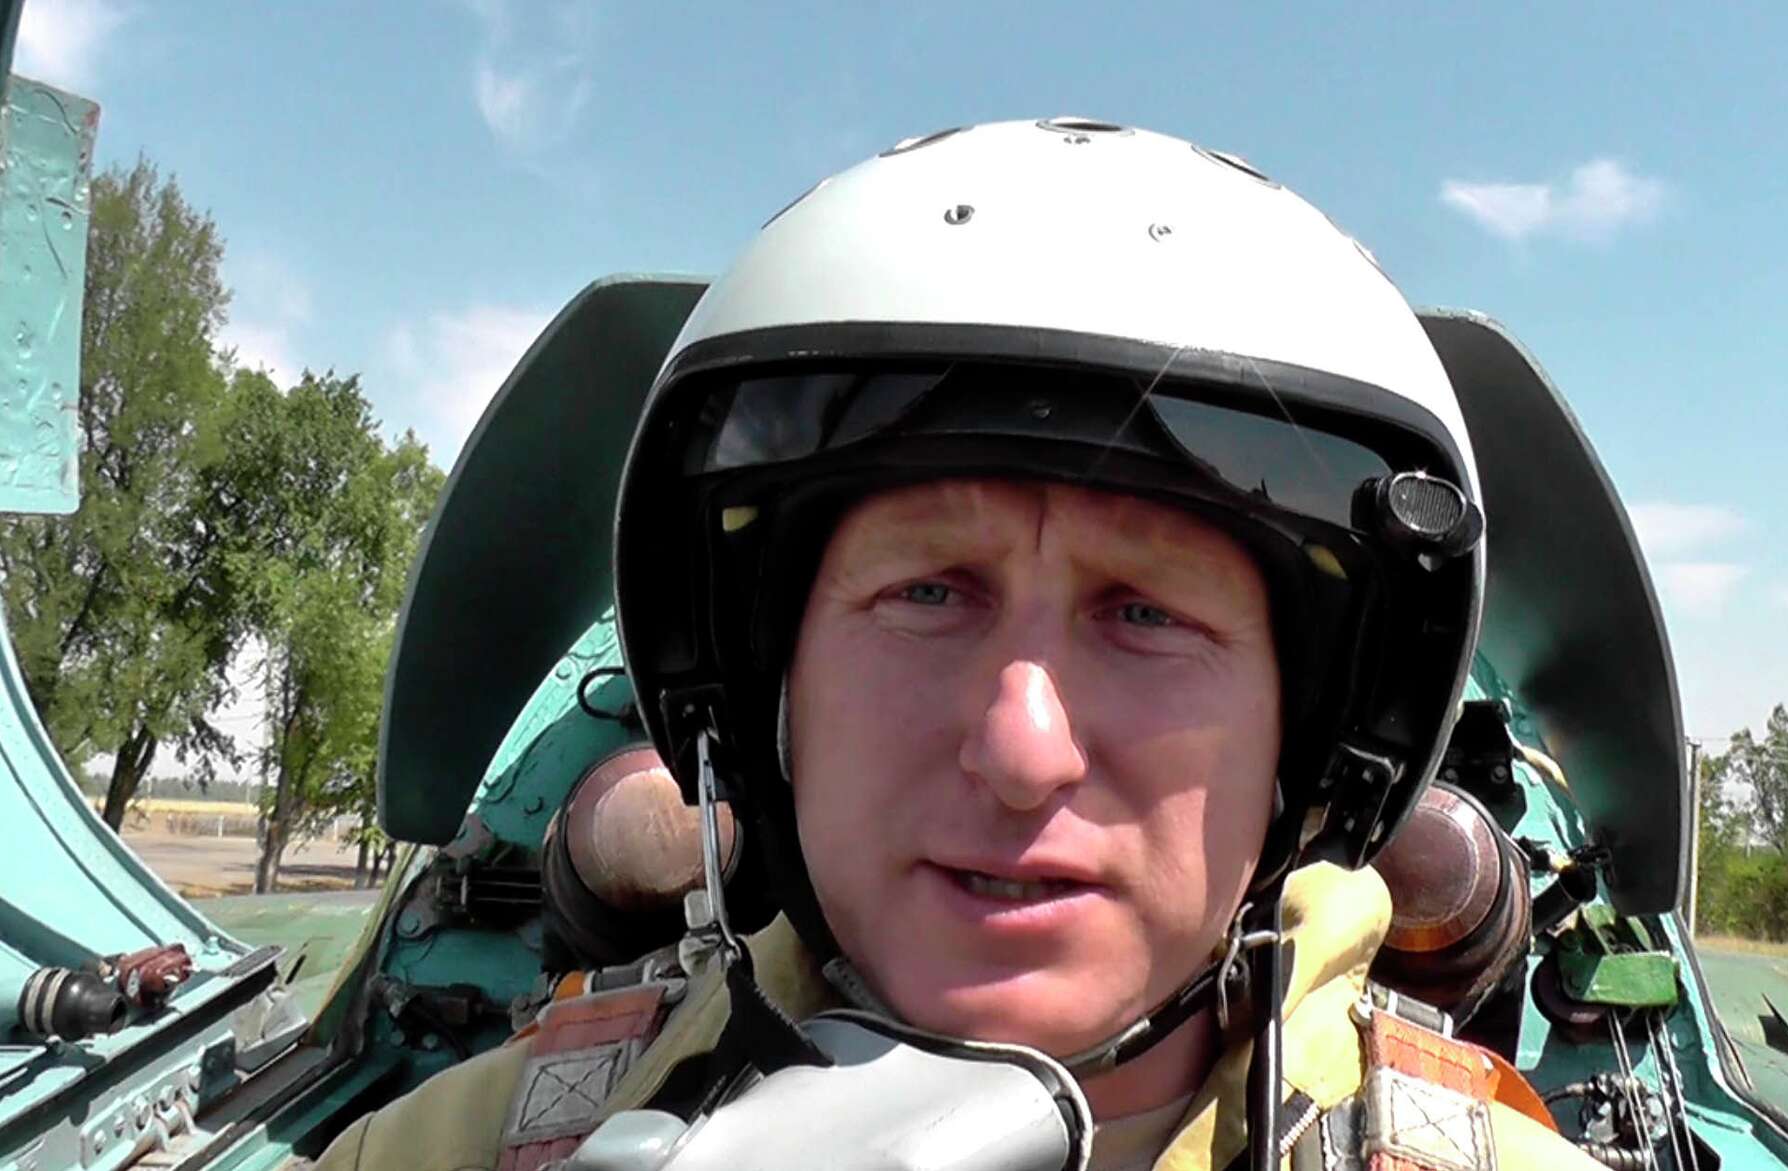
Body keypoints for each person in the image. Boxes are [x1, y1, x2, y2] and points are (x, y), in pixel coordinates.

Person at [314, 119, 1602, 1171]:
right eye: (926, 592)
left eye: (1148, 613)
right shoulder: (460, 1150)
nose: (1021, 752)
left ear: (1309, 744)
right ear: (763, 700)